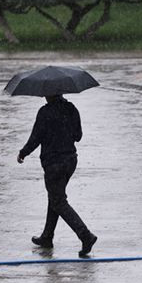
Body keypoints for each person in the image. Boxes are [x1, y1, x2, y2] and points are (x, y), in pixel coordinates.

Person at [17, 94, 97, 257]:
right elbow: (78, 136)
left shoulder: (45, 112)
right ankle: (47, 236)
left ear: (48, 95)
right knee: (55, 197)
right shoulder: (71, 109)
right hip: (70, 161)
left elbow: (35, 138)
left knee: (59, 201)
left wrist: (23, 153)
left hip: (54, 164)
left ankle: (85, 235)